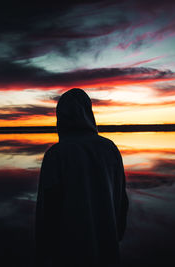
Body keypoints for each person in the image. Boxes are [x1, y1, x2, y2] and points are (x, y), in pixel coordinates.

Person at [35, 88, 129, 267]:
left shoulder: (56, 155)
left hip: (69, 251)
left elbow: (47, 211)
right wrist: (116, 234)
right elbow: (121, 199)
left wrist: (43, 252)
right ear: (88, 113)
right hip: (107, 244)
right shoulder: (110, 149)